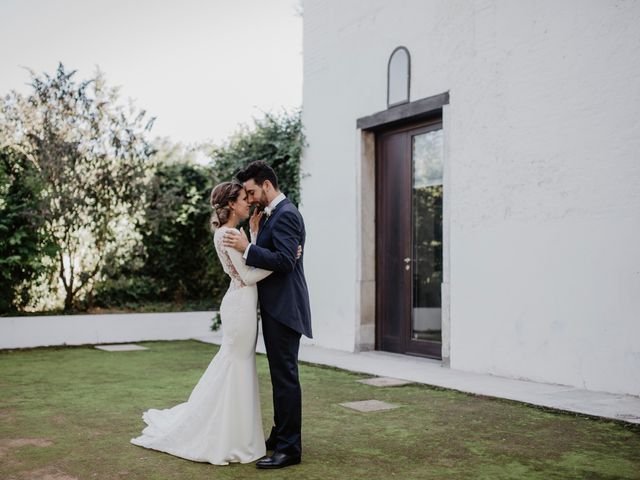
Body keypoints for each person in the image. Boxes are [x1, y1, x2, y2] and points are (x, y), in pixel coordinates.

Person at [130, 181, 273, 465]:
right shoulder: (228, 233)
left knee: (237, 365)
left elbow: (244, 263)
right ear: (231, 203)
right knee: (236, 366)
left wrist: (254, 236)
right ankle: (231, 437)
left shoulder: (229, 233)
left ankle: (238, 435)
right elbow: (247, 275)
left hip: (241, 304)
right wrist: (279, 262)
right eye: (245, 198)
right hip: (241, 304)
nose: (249, 203)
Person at [223, 160, 312, 470]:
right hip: (276, 307)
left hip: (286, 309)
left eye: (251, 191)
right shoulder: (274, 215)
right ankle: (279, 435)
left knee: (286, 378)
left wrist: (249, 247)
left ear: (266, 185)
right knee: (279, 376)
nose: (250, 198)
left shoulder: (287, 214)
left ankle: (290, 449)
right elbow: (277, 256)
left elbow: (286, 261)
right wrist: (257, 238)